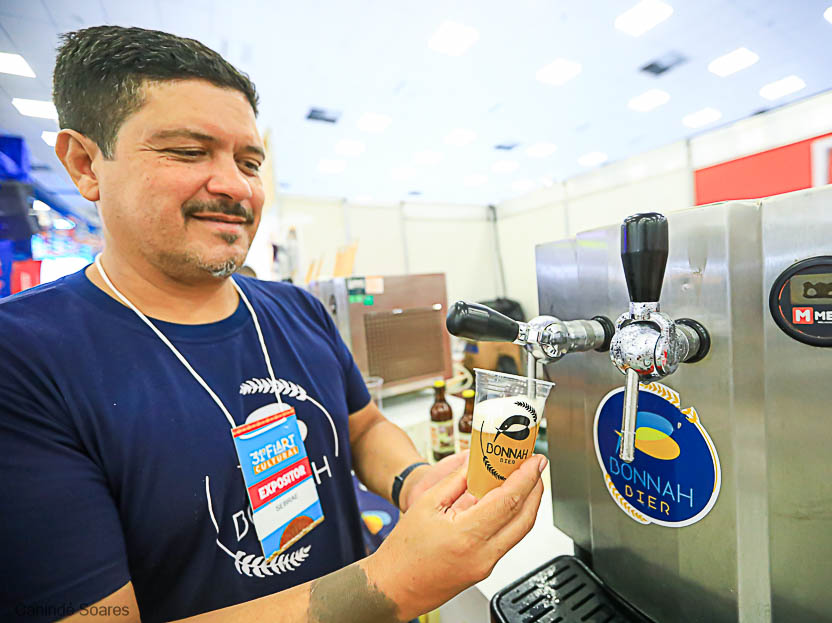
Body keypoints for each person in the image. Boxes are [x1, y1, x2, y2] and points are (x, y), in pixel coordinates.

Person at [0, 26, 546, 623]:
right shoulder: (24, 359)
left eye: (249, 161)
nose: (236, 186)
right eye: (189, 152)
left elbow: (363, 427)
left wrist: (414, 482)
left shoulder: (297, 310)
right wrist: (395, 582)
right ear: (85, 165)